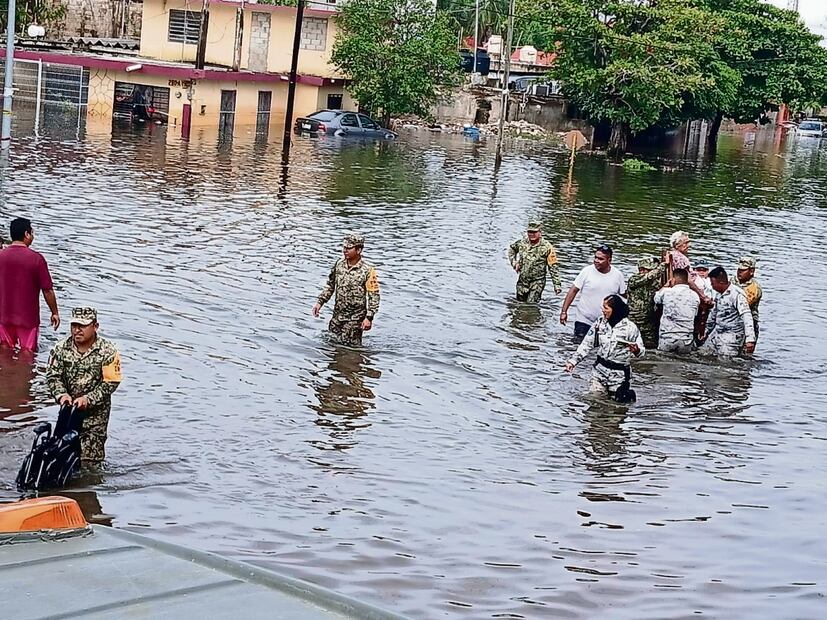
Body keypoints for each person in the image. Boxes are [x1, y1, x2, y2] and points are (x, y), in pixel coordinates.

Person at [46, 307, 122, 464]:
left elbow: (111, 382)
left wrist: (89, 399)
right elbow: (53, 376)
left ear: (95, 326)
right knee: (61, 456)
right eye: (74, 325)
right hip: (68, 412)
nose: (77, 330)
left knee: (90, 462)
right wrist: (61, 394)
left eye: (82, 326)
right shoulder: (60, 349)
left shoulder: (108, 351)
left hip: (95, 417)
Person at [564, 295, 645, 401]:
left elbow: (642, 352)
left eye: (606, 308)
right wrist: (573, 361)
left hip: (619, 376)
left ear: (615, 310)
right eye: (603, 307)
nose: (603, 310)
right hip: (599, 372)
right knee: (594, 401)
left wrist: (636, 350)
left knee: (617, 406)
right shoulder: (600, 323)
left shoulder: (630, 328)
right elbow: (587, 344)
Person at [0, 217, 60, 351]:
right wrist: (54, 312)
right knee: (27, 354)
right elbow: (47, 290)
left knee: (5, 350)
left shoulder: (1, 256)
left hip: (3, 316)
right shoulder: (36, 259)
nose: (33, 236)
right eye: (32, 233)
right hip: (28, 319)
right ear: (26, 234)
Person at [313, 234, 380, 346]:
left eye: (349, 248)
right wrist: (320, 303)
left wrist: (369, 318)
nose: (345, 250)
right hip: (338, 315)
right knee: (332, 344)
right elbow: (330, 286)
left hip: (355, 318)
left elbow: (374, 295)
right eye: (344, 247)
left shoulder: (368, 270)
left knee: (351, 347)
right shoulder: (339, 265)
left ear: (358, 250)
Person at [560, 244, 626, 343]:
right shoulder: (587, 271)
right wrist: (564, 312)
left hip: (606, 323)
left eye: (600, 259)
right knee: (579, 346)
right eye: (595, 257)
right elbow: (573, 291)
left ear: (609, 260)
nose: (596, 260)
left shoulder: (617, 275)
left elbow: (625, 295)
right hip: (584, 320)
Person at [699, 267, 756, 358]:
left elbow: (746, 316)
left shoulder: (737, 295)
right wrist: (705, 332)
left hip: (732, 336)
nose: (712, 286)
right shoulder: (718, 295)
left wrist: (750, 339)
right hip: (717, 332)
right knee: (702, 353)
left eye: (713, 284)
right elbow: (713, 315)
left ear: (721, 283)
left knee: (725, 360)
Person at [508, 220, 561, 302]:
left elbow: (553, 267)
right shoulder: (522, 243)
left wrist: (557, 285)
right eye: (529, 232)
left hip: (537, 282)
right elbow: (512, 249)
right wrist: (514, 263)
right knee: (519, 303)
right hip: (522, 281)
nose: (531, 234)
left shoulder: (547, 247)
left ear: (540, 232)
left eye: (534, 232)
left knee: (531, 305)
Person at [626, 254, 669, 349]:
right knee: (631, 342)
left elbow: (659, 292)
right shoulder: (634, 279)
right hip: (634, 318)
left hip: (648, 319)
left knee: (650, 345)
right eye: (650, 270)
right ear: (641, 270)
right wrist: (664, 265)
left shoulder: (652, 282)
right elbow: (649, 277)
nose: (652, 272)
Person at [653, 268, 700, 353]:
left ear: (673, 280)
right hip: (686, 340)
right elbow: (695, 315)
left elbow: (656, 299)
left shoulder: (666, 292)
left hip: (667, 338)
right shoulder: (695, 296)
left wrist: (666, 285)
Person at [733, 256, 762, 340]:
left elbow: (744, 305)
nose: (739, 272)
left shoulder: (755, 288)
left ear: (751, 271)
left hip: (748, 325)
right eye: (739, 269)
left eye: (743, 270)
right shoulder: (731, 281)